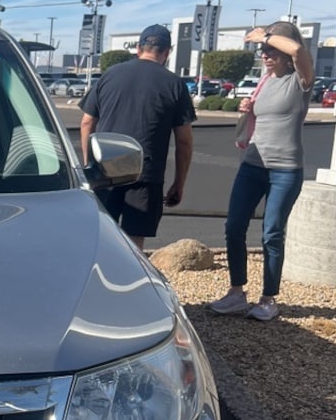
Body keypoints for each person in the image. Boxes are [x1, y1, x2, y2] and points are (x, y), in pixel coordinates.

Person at [208, 20, 314, 322]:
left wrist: (264, 34)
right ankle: (236, 292)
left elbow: (297, 49)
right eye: (261, 50)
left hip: (286, 169)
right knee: (233, 227)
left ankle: (268, 298)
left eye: (270, 49)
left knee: (272, 233)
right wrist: (248, 107)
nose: (265, 53)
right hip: (253, 165)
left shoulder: (301, 80)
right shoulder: (265, 80)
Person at [79, 24, 195, 250]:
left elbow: (86, 122)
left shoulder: (110, 75)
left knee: (101, 236)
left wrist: (88, 165)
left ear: (139, 48)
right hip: (146, 174)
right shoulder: (175, 84)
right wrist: (178, 183)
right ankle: (129, 282)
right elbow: (184, 140)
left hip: (105, 171)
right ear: (167, 52)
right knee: (135, 241)